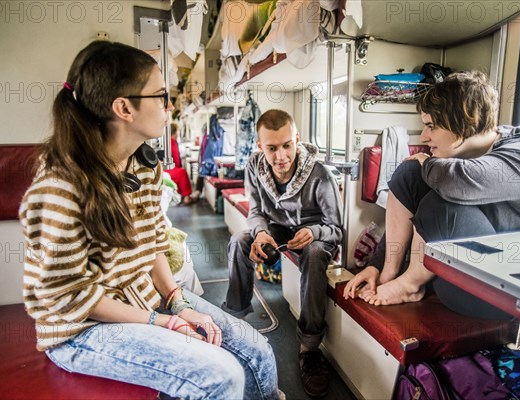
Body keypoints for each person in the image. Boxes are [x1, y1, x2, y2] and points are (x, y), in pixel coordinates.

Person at [19, 41, 281, 400]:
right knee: (221, 377)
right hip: (80, 327)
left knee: (257, 351)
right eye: (160, 96)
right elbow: (68, 295)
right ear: (124, 108)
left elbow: (154, 242)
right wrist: (167, 323)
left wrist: (177, 301)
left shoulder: (144, 166)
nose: (169, 105)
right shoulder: (60, 188)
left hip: (141, 299)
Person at [344, 71, 520, 318]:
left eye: (431, 126)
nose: (424, 136)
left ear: (466, 122)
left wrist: (426, 161)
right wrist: (377, 266)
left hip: (498, 292)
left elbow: (457, 183)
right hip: (448, 273)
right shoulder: (464, 152)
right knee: (409, 172)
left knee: (440, 203)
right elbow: (417, 179)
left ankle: (410, 285)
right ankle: (390, 274)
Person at [222, 109, 343, 397]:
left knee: (313, 256)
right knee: (240, 240)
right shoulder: (254, 167)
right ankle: (235, 325)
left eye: (287, 146)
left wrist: (314, 233)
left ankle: (309, 350)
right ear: (259, 146)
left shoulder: (320, 175)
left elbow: (336, 229)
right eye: (271, 148)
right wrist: (261, 232)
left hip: (315, 234)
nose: (280, 157)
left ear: (297, 140)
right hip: (276, 229)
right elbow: (255, 211)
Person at [164, 122, 198, 205]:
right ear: (175, 132)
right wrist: (179, 167)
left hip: (164, 167)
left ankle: (182, 195)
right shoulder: (172, 142)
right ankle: (186, 197)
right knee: (182, 172)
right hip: (167, 169)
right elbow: (176, 159)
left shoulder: (167, 141)